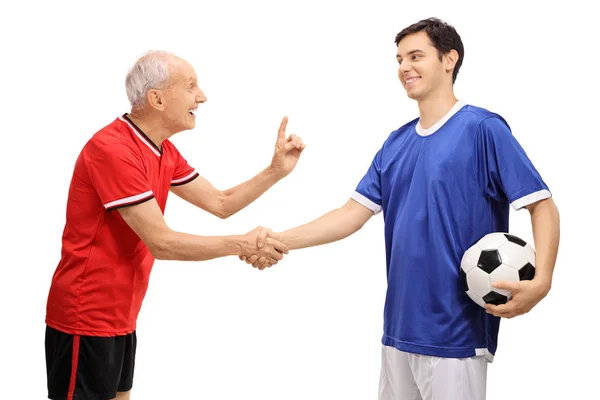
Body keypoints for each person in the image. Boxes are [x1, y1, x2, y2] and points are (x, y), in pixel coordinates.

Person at [241, 17, 560, 400]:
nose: (404, 67)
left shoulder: (483, 129)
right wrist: (277, 239)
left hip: (454, 337)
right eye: (398, 59)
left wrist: (542, 281)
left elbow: (541, 205)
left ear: (449, 59)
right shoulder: (395, 144)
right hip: (397, 332)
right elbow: (349, 215)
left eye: (415, 56)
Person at [44, 50, 304, 400]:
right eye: (191, 86)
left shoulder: (162, 150)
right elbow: (162, 243)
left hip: (122, 315)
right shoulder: (113, 149)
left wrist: (275, 171)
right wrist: (243, 244)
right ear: (158, 98)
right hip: (86, 316)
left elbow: (221, 203)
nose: (202, 96)